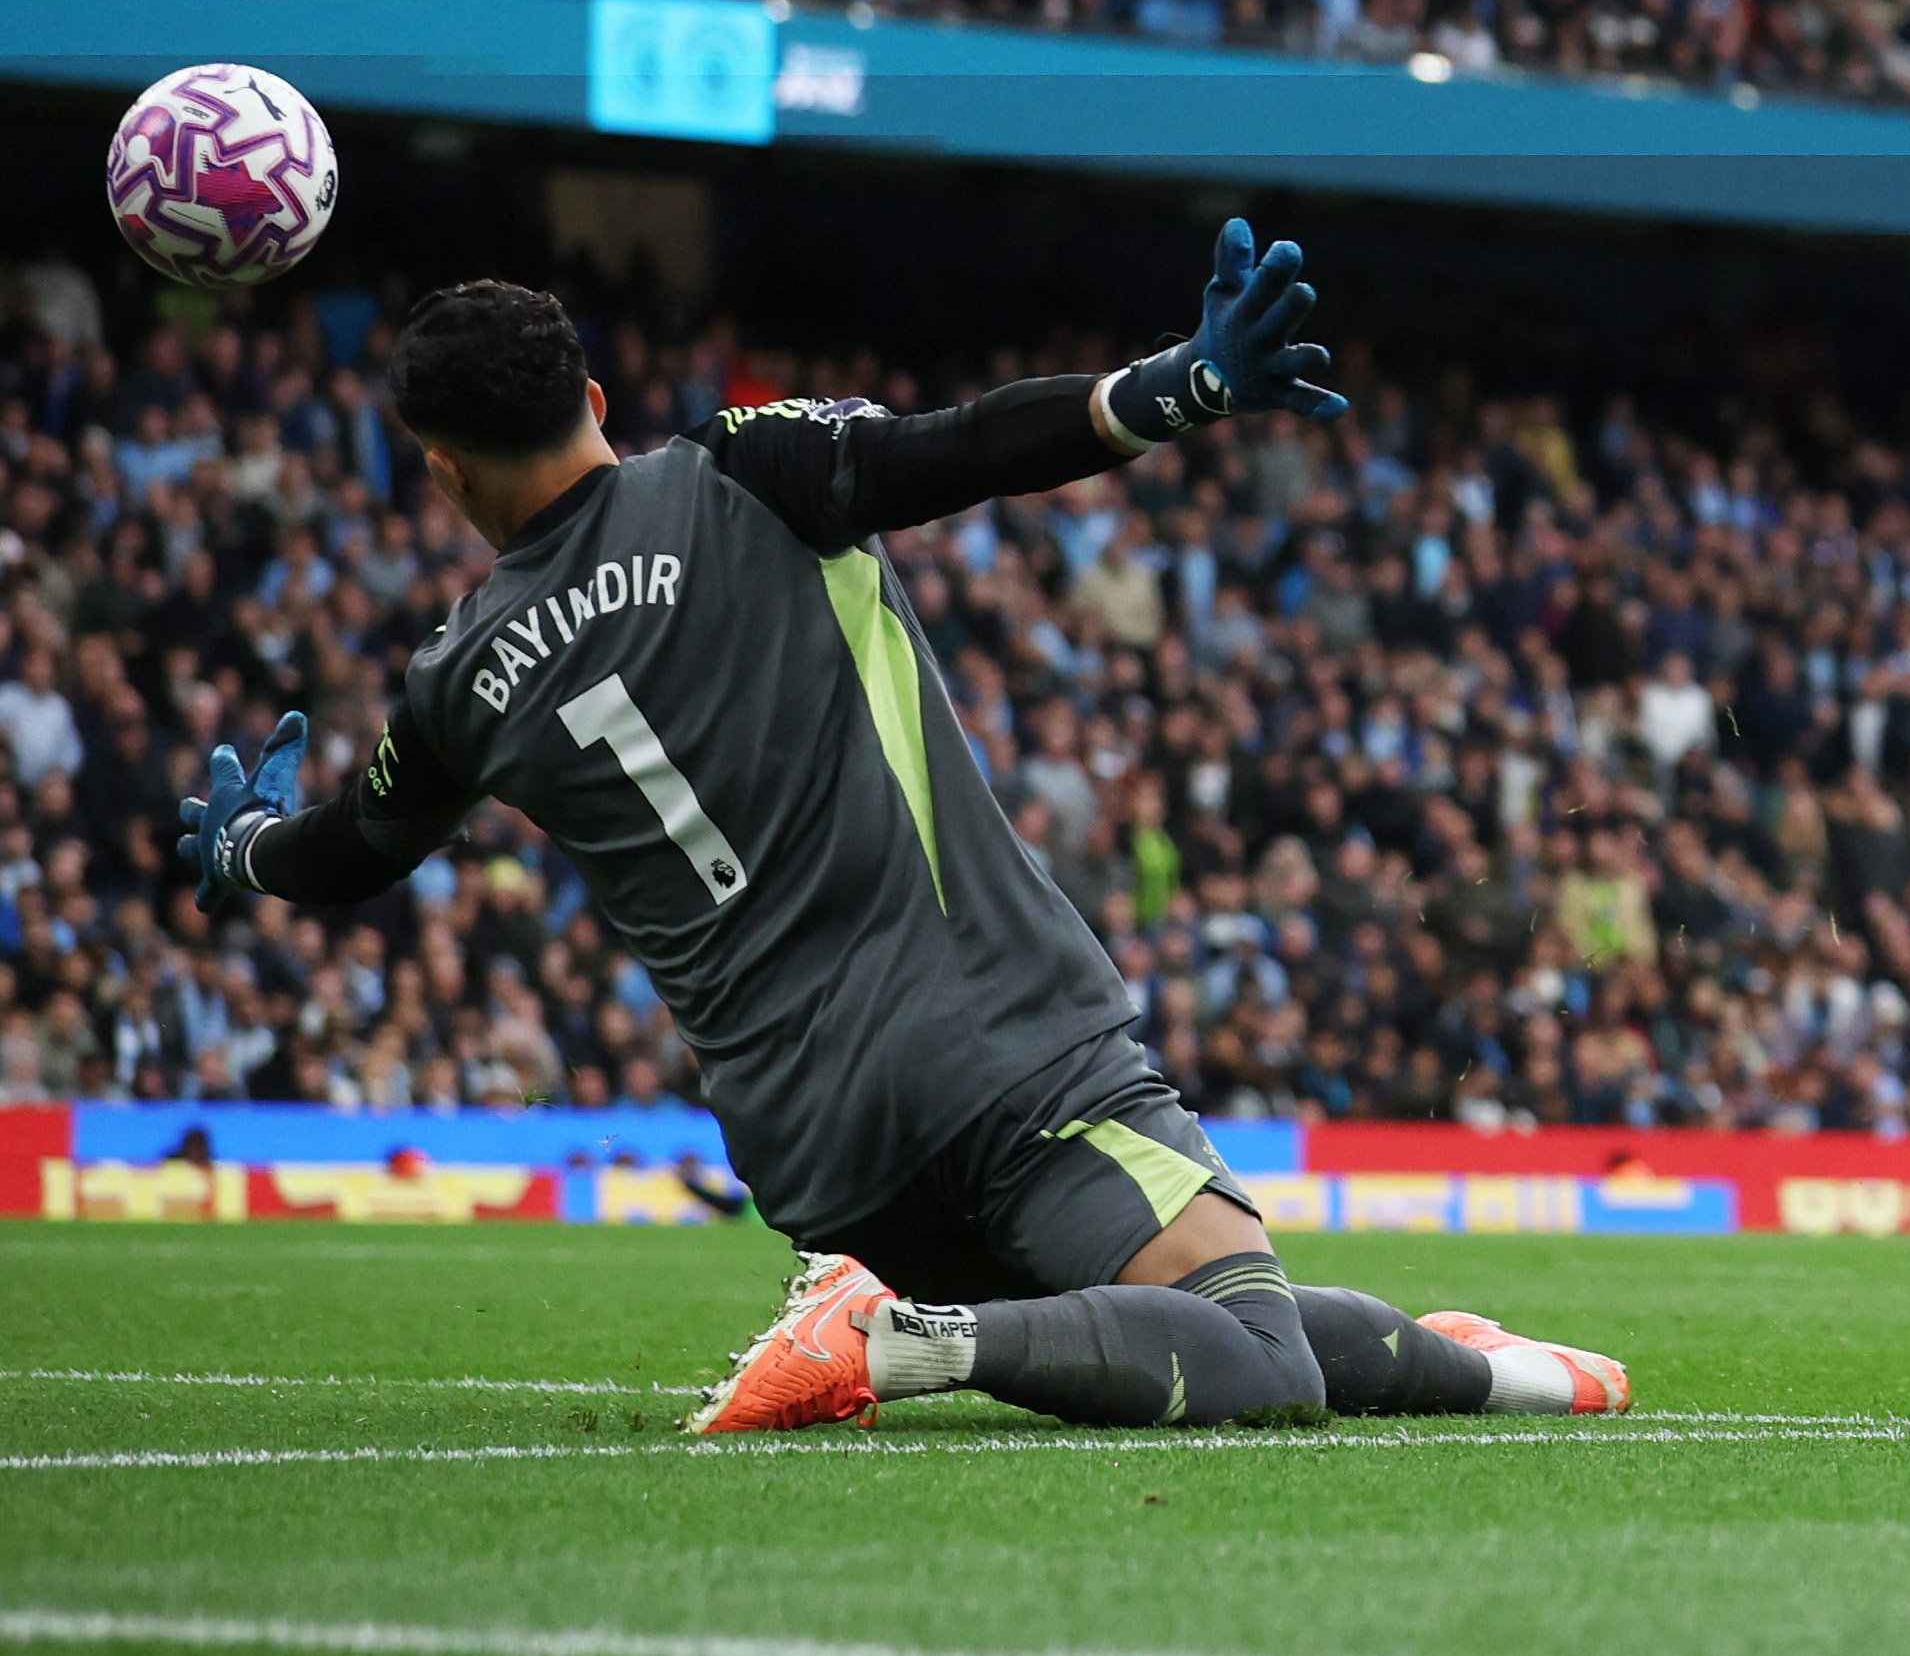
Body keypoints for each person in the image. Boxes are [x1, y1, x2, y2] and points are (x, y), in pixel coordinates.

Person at [176, 231, 1630, 1431]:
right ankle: (889, 1341)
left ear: (442, 469)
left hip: (825, 1156)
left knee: (1201, 1313)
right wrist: (1175, 387)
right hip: (997, 1046)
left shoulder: (454, 684)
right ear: (598, 397)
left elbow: (340, 856)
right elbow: (966, 446)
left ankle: (1493, 1369)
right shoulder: (738, 471)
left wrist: (236, 846)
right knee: (1257, 1360)